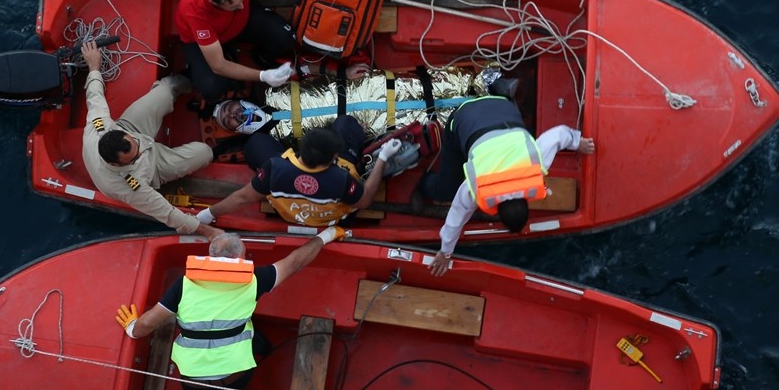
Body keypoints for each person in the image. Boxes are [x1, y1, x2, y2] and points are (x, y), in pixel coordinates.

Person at [114, 227, 347, 390]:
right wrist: (325, 236)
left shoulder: (184, 285)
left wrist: (132, 328)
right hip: (240, 374)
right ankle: (265, 349)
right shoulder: (255, 279)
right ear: (240, 257)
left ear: (211, 256)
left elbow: (145, 325)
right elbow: (295, 262)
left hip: (202, 385)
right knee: (244, 327)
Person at [418, 94, 595, 276]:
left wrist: (577, 141)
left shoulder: (536, 166)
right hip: (463, 115)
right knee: (446, 190)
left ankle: (499, 91)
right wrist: (445, 252)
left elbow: (558, 135)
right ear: (497, 209)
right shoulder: (478, 186)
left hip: (503, 105)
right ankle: (421, 183)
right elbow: (456, 214)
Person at [80, 40, 221, 238]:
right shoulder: (130, 187)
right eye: (133, 156)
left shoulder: (99, 126)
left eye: (133, 145)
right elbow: (168, 213)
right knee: (204, 152)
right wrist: (208, 231)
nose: (140, 148)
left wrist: (94, 67)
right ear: (116, 163)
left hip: (133, 129)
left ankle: (192, 81)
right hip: (152, 167)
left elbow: (94, 95)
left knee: (165, 90)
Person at [175, 0, 326, 101]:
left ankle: (261, 57)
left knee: (285, 37)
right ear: (215, 4)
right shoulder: (196, 13)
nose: (240, 5)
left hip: (240, 21)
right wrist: (263, 76)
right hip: (203, 42)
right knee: (212, 88)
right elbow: (218, 65)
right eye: (234, 4)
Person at [195, 116, 402, 227]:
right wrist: (382, 158)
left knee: (256, 143)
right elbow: (364, 201)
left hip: (290, 214)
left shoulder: (275, 169)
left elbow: (241, 197)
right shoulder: (340, 178)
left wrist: (208, 214)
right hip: (330, 219)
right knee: (345, 124)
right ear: (332, 159)